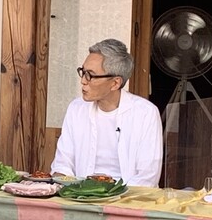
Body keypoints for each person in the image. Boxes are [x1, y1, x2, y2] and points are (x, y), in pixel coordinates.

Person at [51, 38, 163, 186]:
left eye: (90, 75)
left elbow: (148, 177)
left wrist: (111, 197)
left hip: (128, 201)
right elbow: (62, 164)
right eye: (83, 72)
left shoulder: (145, 113)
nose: (83, 81)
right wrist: (69, 185)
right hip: (81, 196)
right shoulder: (76, 108)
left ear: (115, 83)